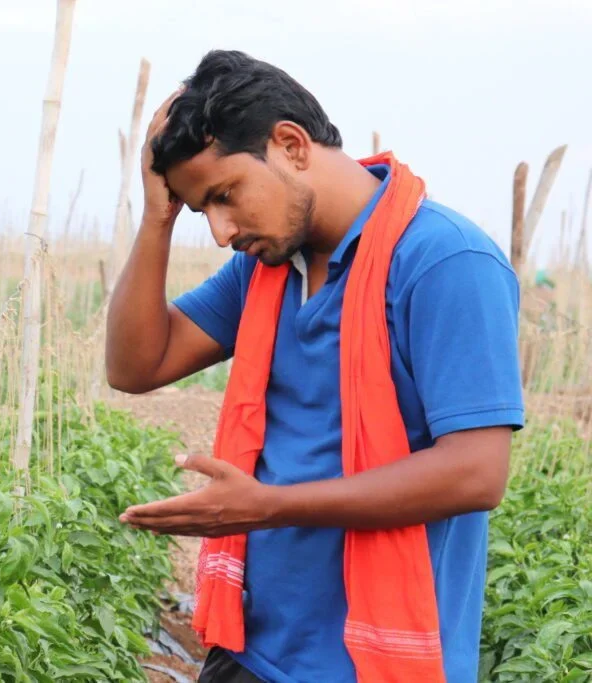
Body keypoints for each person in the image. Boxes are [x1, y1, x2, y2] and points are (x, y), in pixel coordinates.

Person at [106, 50, 524, 683]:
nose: (220, 231)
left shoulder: (445, 262)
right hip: (252, 648)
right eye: (200, 210)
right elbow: (137, 366)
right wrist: (157, 218)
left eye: (224, 196)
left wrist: (267, 507)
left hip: (373, 662)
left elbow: (475, 473)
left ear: (291, 145)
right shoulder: (266, 270)